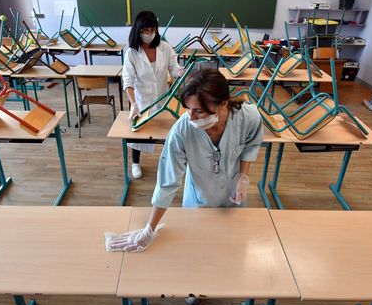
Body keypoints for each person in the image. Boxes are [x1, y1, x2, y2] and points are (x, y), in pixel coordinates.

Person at [110, 68, 264, 255]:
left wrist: (243, 177)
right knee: (198, 253)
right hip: (198, 202)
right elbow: (168, 181)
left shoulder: (249, 118)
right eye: (188, 109)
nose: (190, 117)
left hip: (233, 199)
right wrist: (149, 230)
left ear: (223, 104)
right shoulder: (182, 130)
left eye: (198, 111)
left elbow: (250, 144)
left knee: (230, 253)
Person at [122, 11, 184, 179]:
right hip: (142, 101)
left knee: (166, 133)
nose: (149, 34)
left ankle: (167, 163)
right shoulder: (132, 53)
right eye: (145, 30)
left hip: (163, 99)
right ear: (138, 30)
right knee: (139, 135)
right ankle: (135, 163)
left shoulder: (164, 47)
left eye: (152, 30)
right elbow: (127, 81)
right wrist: (133, 104)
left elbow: (174, 68)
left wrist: (183, 72)